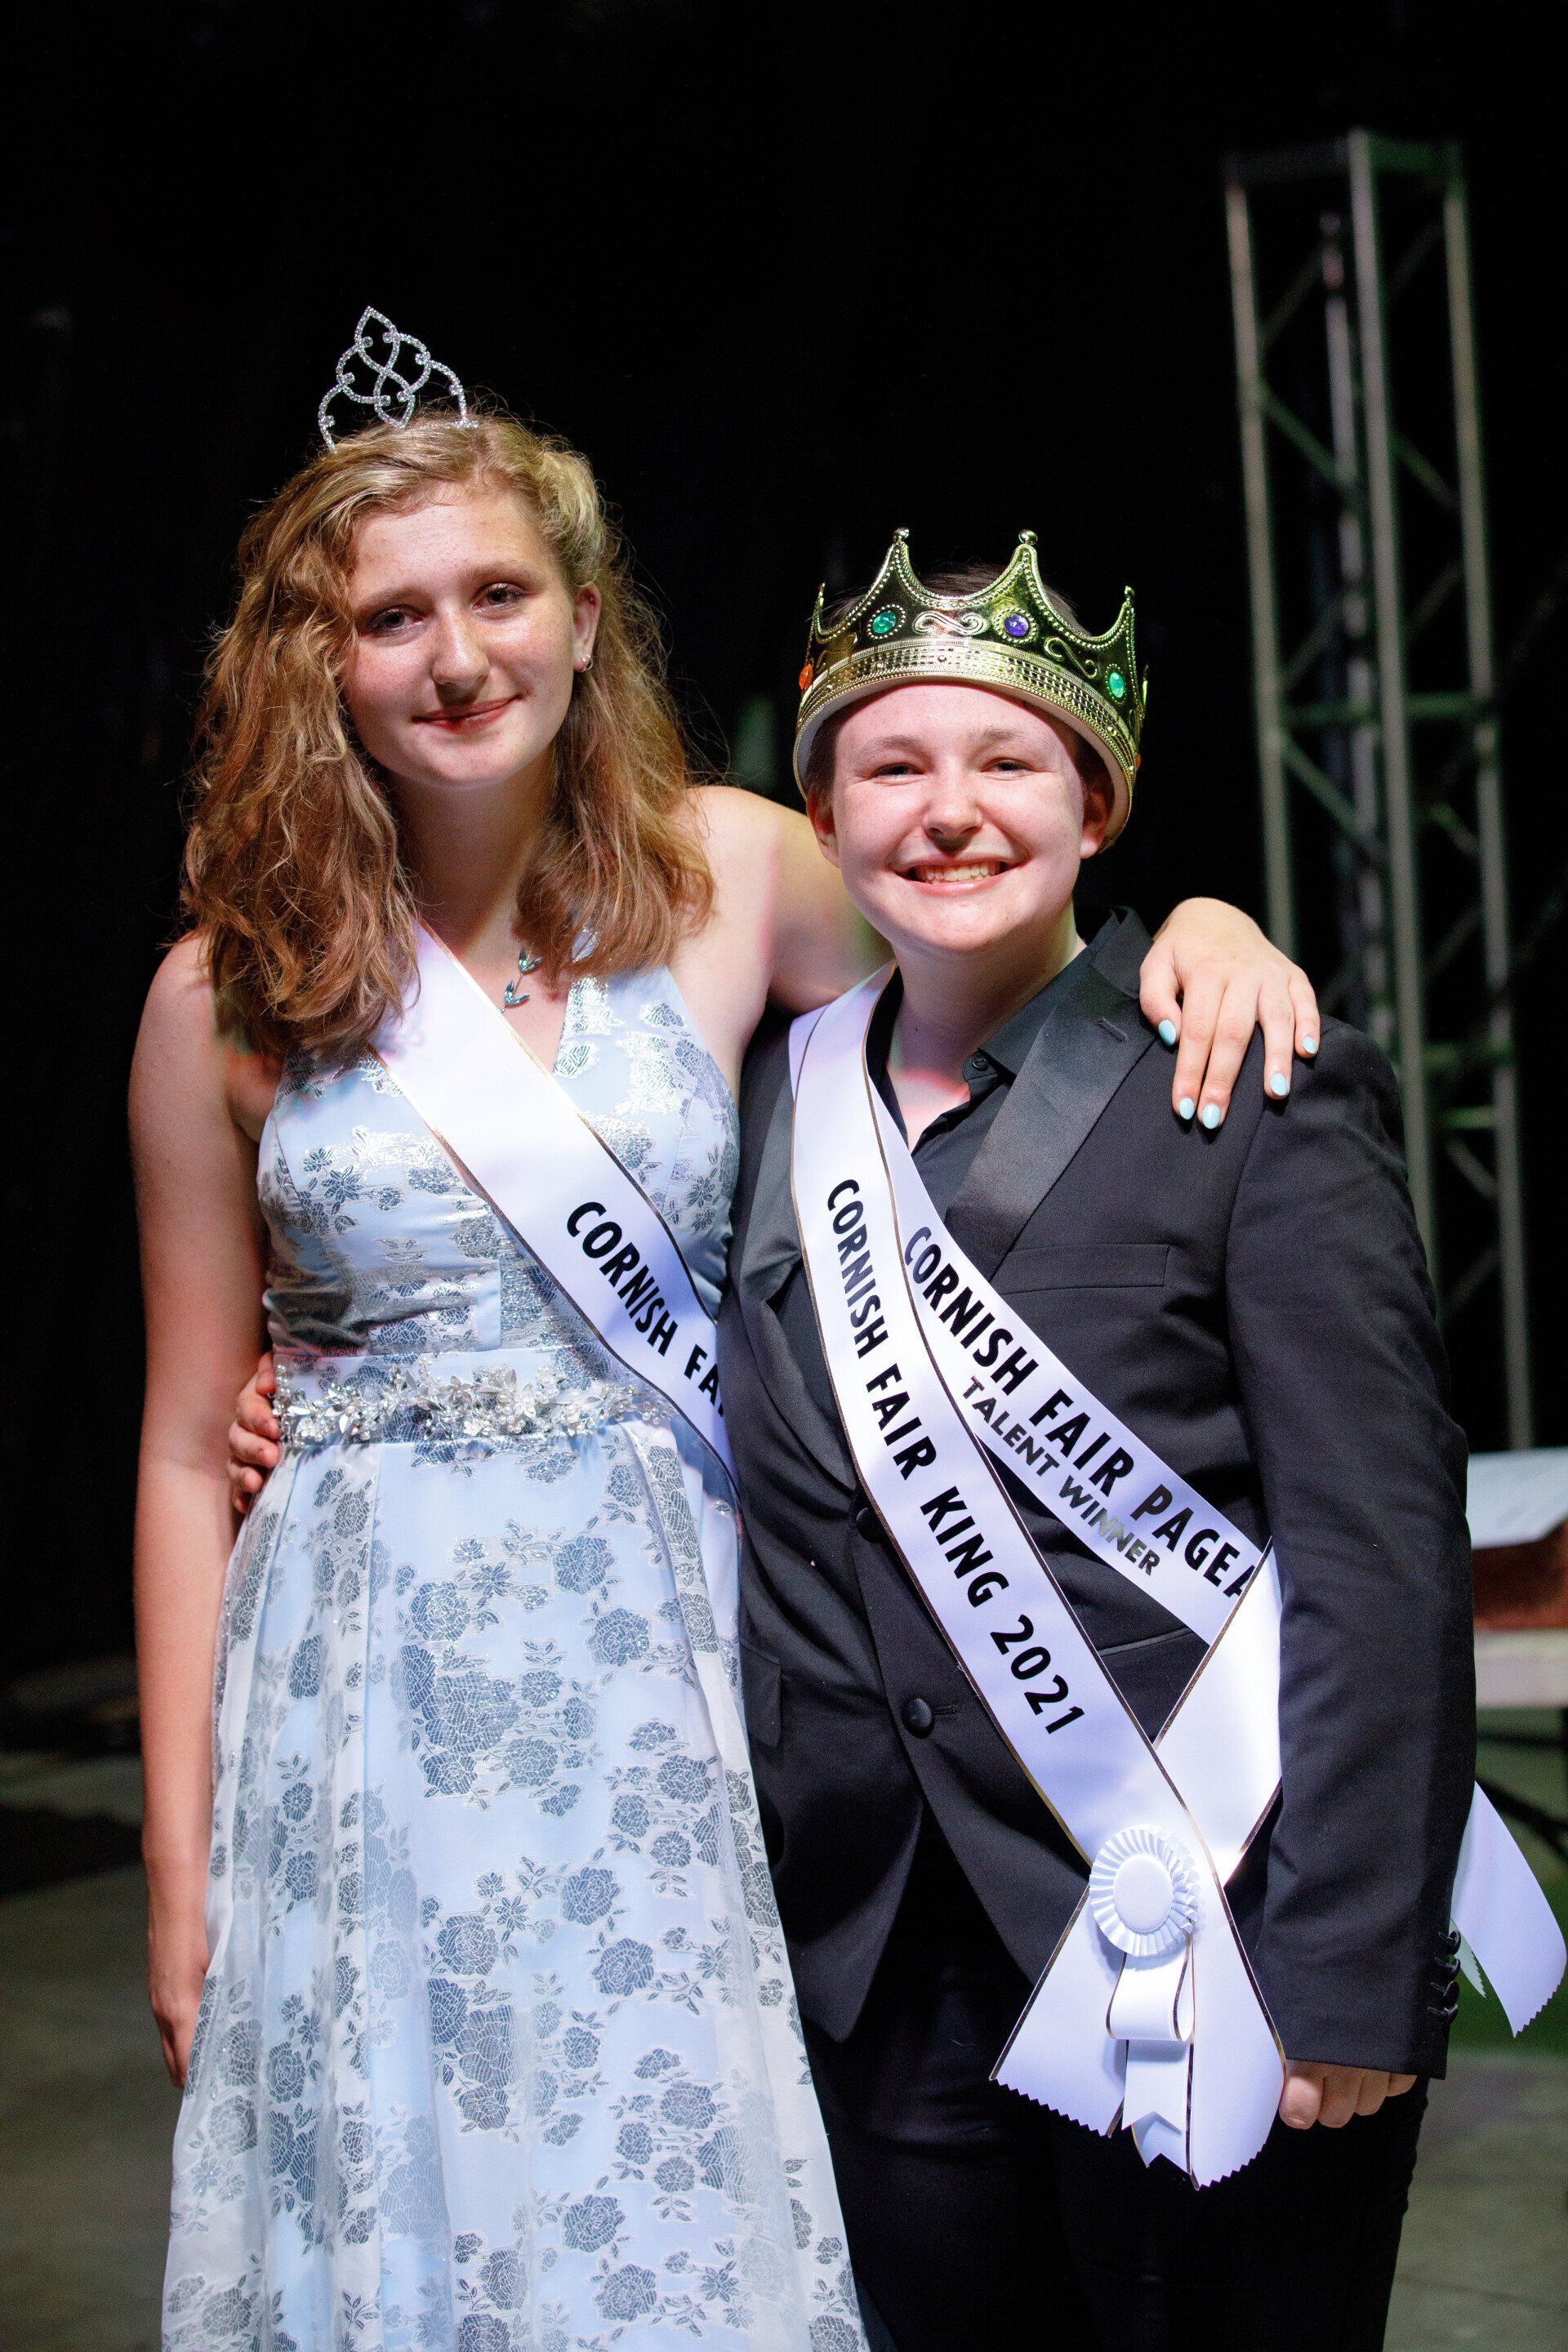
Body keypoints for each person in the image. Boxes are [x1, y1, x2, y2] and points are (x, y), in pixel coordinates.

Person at [179, 318, 1316, 2351]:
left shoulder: (730, 867)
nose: (457, 656)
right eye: (391, 616)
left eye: (499, 595)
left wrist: (1207, 931)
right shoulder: (226, 990)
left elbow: (999, 941)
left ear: (582, 615)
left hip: (668, 1653)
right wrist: (179, 1874)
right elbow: (187, 1444)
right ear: (313, 660)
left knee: (657, 2168)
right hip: (360, 1682)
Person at [707, 534, 1477, 2351]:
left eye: (1009, 761)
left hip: (1212, 1940)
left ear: (1099, 805)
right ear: (824, 814)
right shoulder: (765, 1107)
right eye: (891, 767)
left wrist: (1355, 1967)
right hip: (880, 1965)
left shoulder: (1250, 1083)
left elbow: (1380, 1554)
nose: (948, 811)